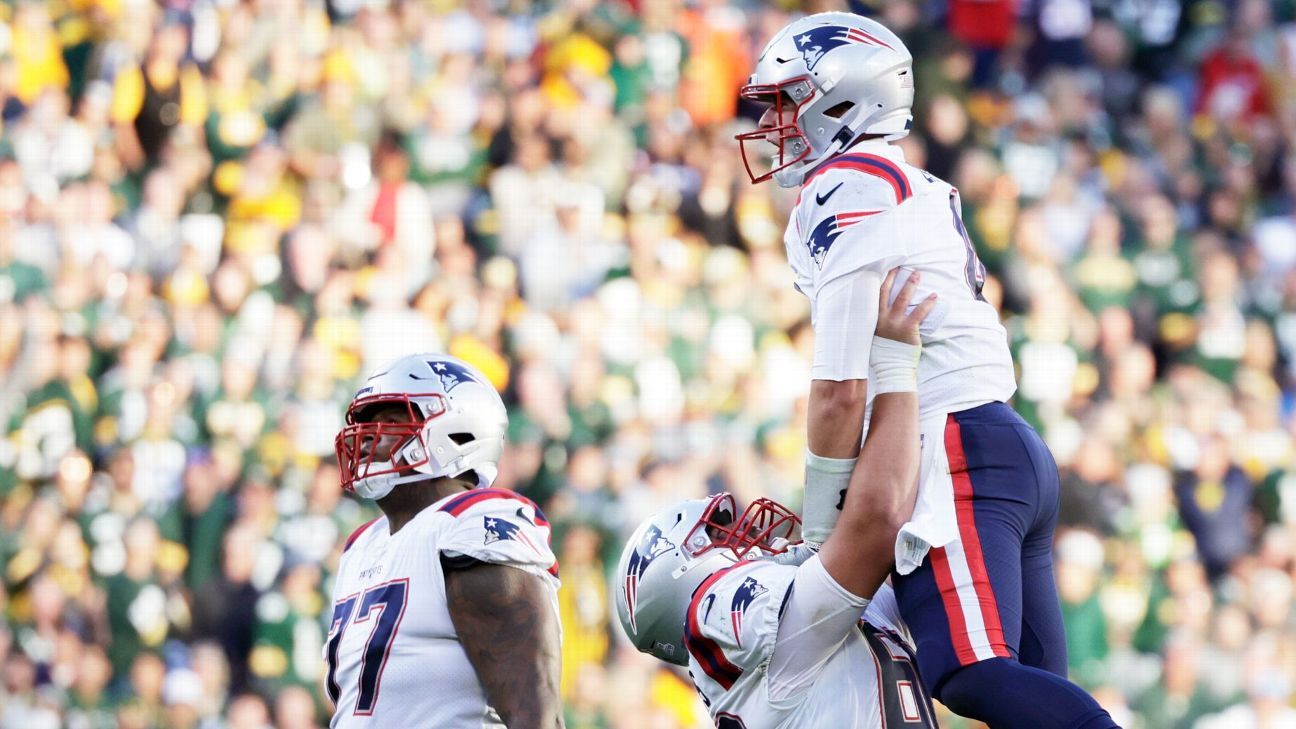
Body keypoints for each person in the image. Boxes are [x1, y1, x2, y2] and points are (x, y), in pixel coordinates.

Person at [736, 12, 1119, 729]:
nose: (775, 121)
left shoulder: (845, 186)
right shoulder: (909, 180)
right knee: (1029, 699)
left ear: (844, 102)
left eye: (788, 100)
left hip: (953, 448)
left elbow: (841, 387)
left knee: (968, 673)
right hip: (1003, 440)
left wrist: (826, 535)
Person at [614, 270, 939, 728]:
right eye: (717, 537)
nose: (745, 536)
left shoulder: (787, 644)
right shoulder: (729, 625)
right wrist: (894, 362)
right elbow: (880, 521)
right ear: (681, 577)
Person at [324, 353, 563, 728]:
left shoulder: (471, 525)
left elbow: (534, 713)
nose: (369, 436)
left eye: (390, 419)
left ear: (457, 429)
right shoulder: (361, 547)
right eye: (366, 422)